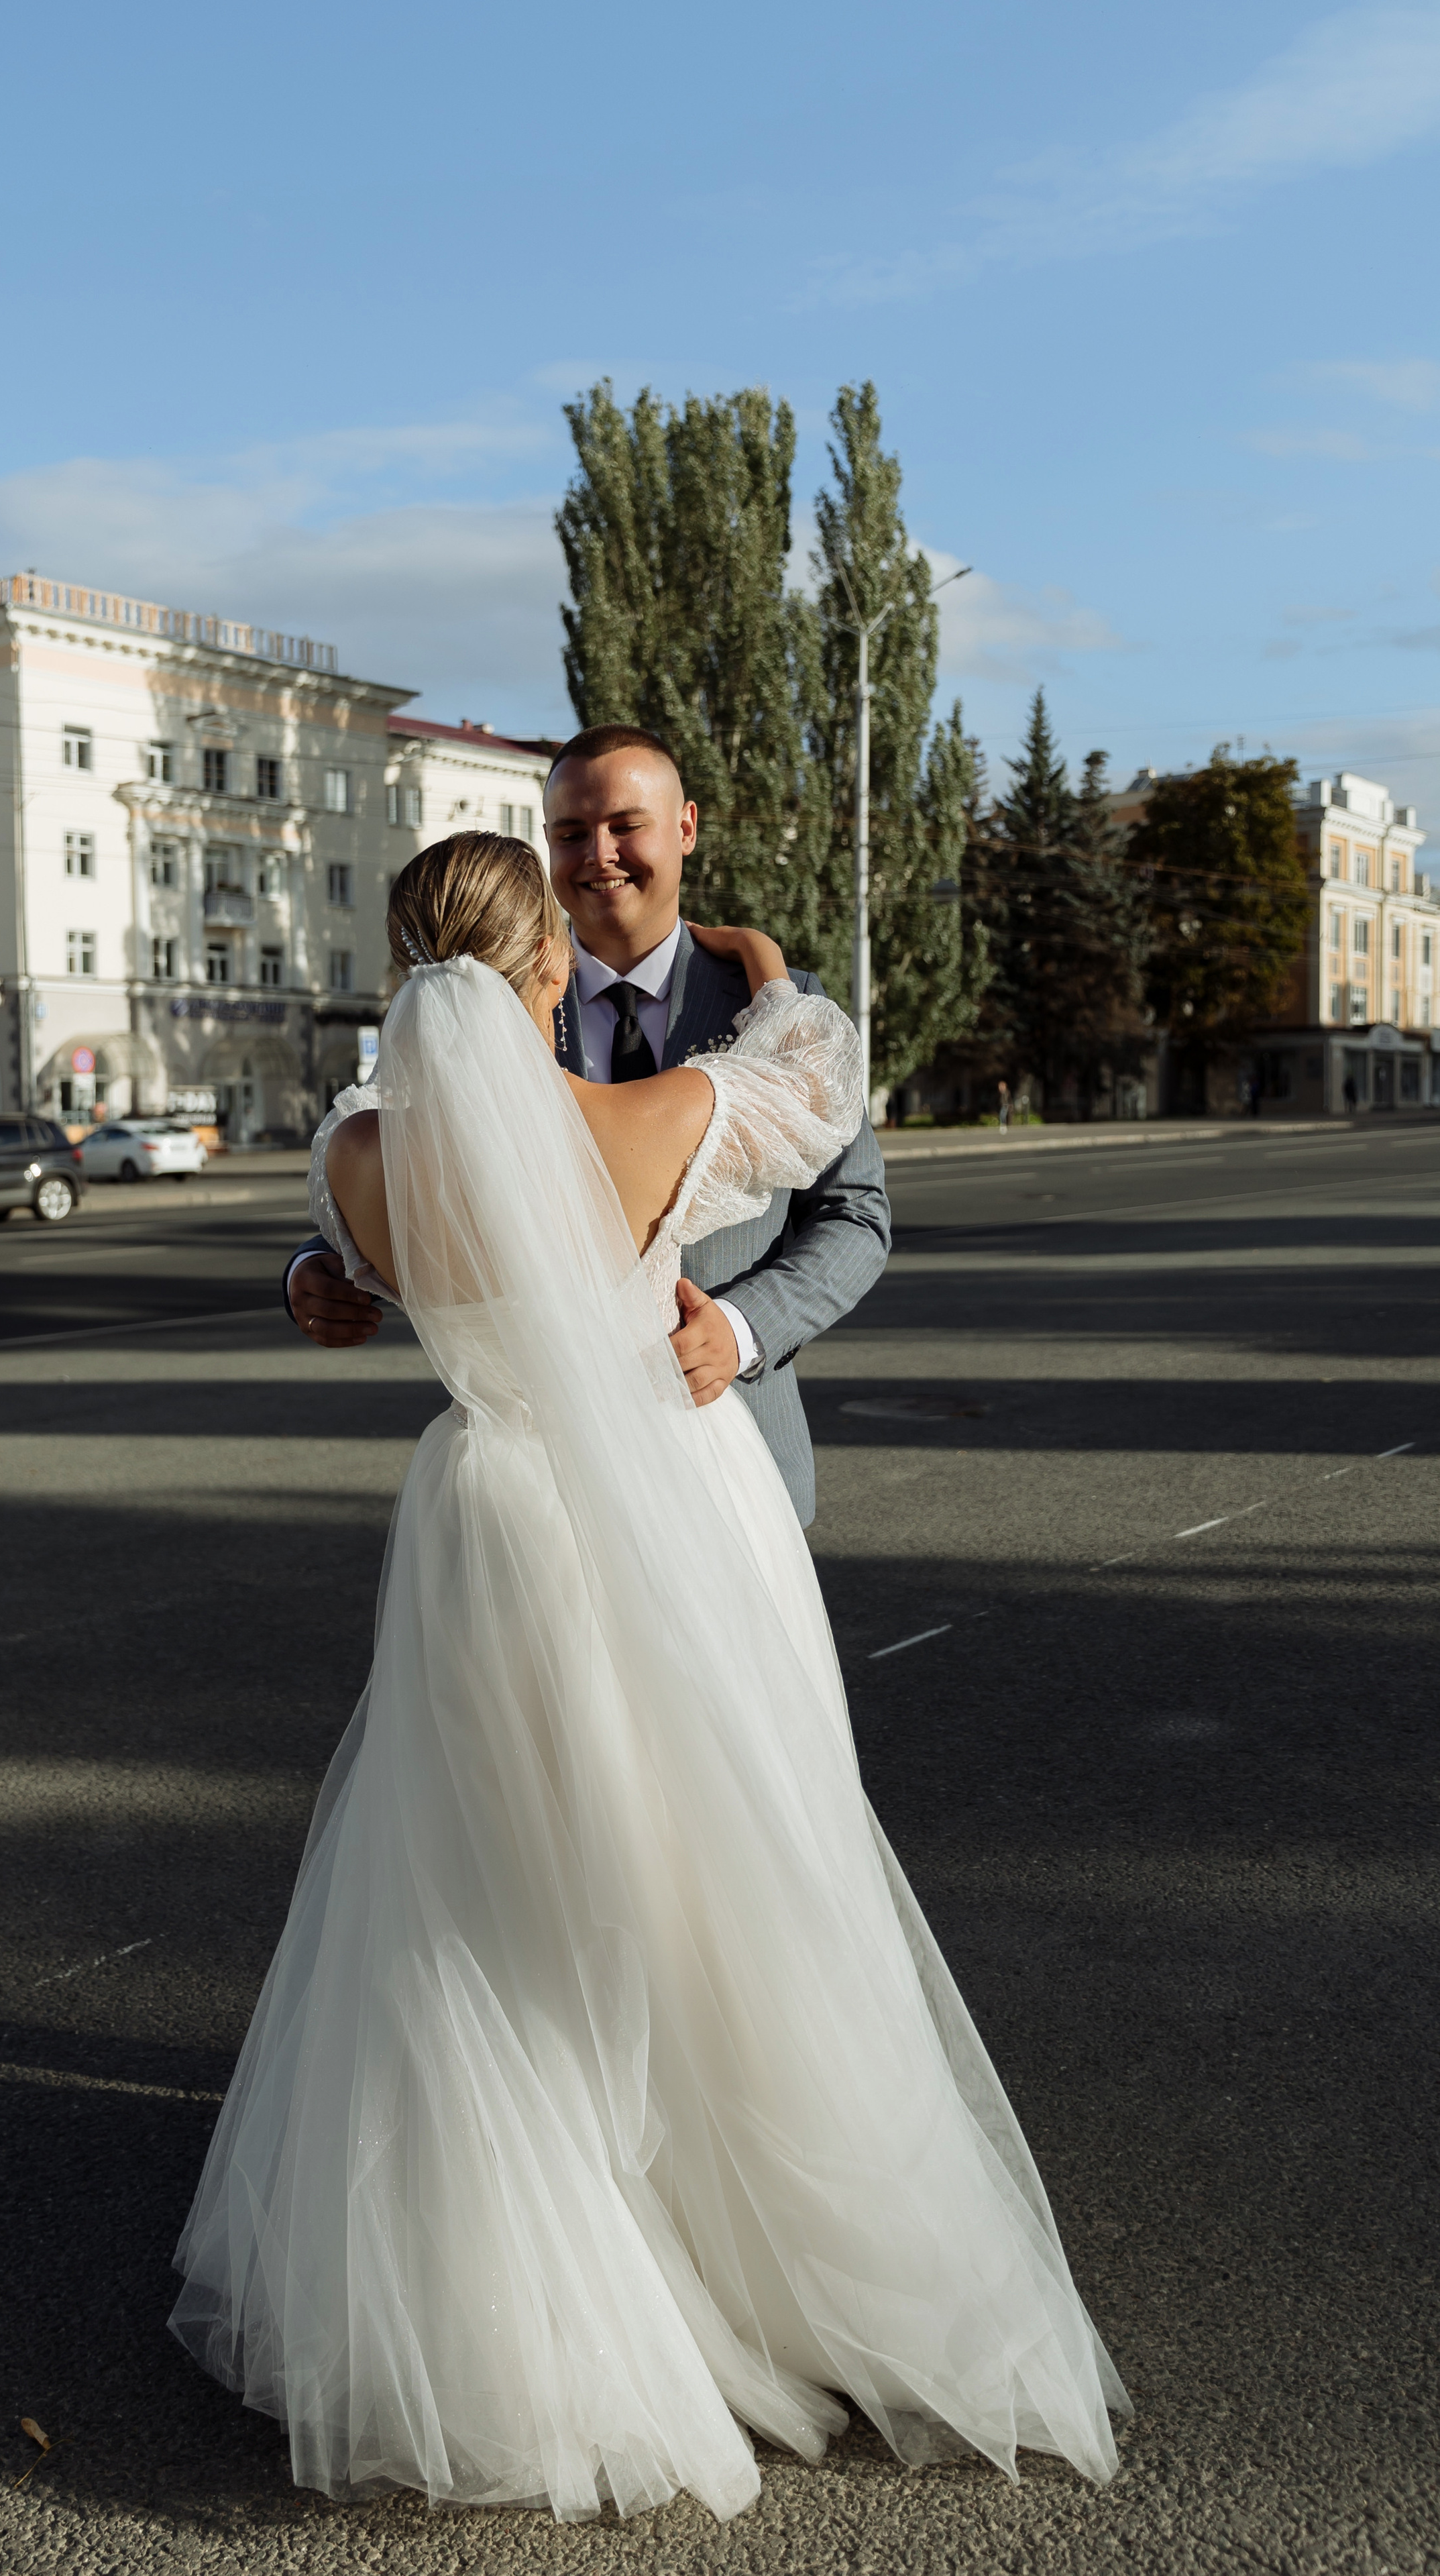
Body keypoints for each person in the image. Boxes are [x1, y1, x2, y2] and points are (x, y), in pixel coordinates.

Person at [170, 831, 1128, 2524]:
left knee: (477, 1888)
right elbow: (811, 1083)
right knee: (718, 1863)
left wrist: (327, 1276)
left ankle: (508, 2278)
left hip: (477, 1519)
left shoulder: (357, 1150)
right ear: (546, 965)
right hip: (665, 1514)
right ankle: (750, 2229)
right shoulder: (651, 1118)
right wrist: (767, 973)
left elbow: (343, 1261)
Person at [282, 724, 891, 1526]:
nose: (598, 853)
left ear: (686, 828)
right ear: (546, 850)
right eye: (570, 833)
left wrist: (743, 1330)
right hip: (540, 1501)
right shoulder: (465, 1006)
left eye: (624, 825)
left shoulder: (770, 995)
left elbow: (857, 1213)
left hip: (729, 1452)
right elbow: (410, 1164)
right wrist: (312, 1271)